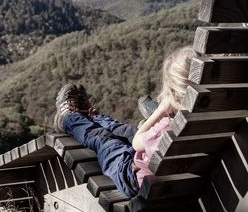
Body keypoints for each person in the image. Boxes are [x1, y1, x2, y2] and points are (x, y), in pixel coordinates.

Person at [53, 46, 198, 197]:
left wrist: (160, 112)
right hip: (177, 178)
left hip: (132, 177)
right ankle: (92, 118)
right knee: (126, 131)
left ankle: (70, 119)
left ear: (173, 94)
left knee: (103, 139)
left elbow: (136, 142)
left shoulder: (168, 128)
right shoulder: (213, 123)